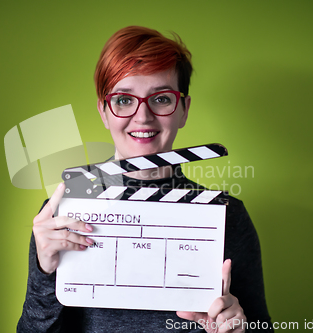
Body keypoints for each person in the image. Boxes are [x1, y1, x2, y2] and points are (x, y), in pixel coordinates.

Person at [17, 26, 272, 332]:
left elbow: (261, 327)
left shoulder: (227, 215)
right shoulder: (62, 215)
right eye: (124, 100)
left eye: (161, 99)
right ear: (104, 110)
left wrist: (238, 328)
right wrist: (43, 274)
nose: (143, 116)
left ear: (183, 109)